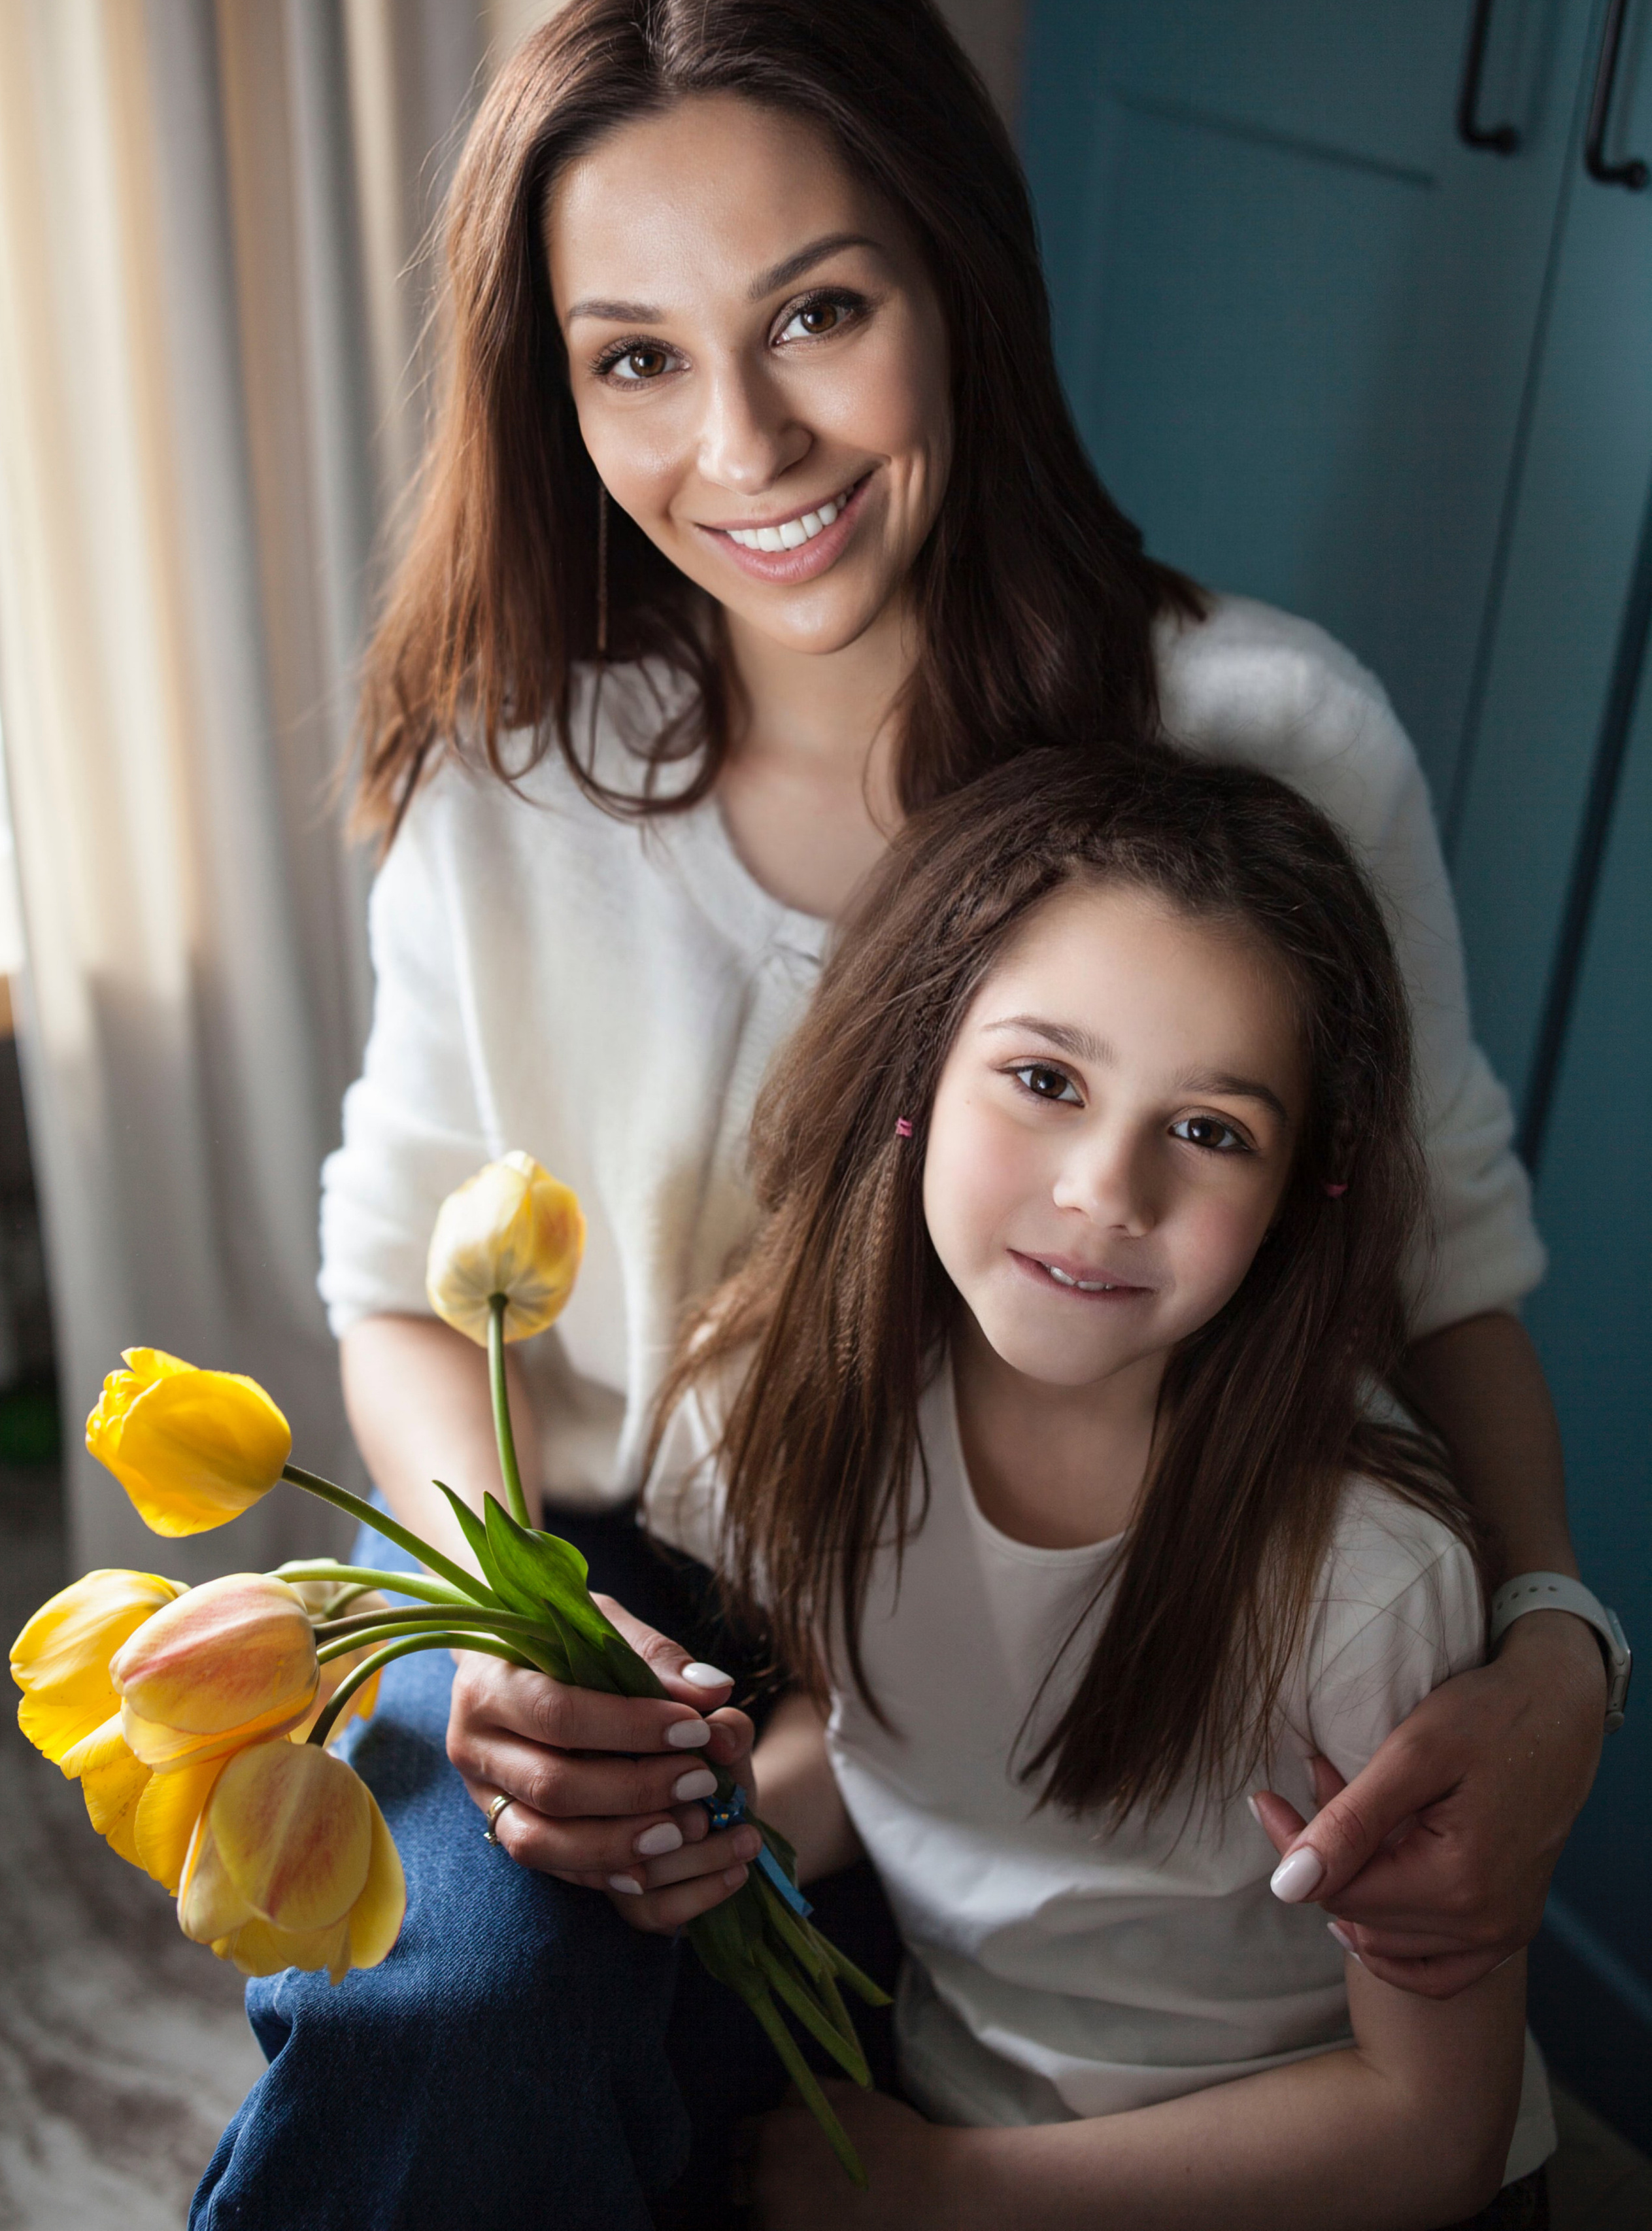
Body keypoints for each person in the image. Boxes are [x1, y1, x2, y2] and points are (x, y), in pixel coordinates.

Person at [191, 0, 1607, 2229]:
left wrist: (1562, 1650)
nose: (740, 446)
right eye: (633, 359)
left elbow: (1444, 1270)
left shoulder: (1265, 737)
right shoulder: (510, 776)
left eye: (818, 316)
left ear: (956, 281)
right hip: (607, 1596)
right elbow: (389, 1280)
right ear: (552, 393)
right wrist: (496, 1616)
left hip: (1095, 1599)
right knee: (453, 2029)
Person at [643, 741, 1555, 2226]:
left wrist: (939, 2189)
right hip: (965, 2110)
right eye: (1044, 1080)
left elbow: (1427, 2129)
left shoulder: (1362, 1583)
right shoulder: (761, 1410)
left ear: (1295, 1198)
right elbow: (897, 1760)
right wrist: (700, 1807)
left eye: (1207, 1132)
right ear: (913, 1070)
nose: (1104, 1192)